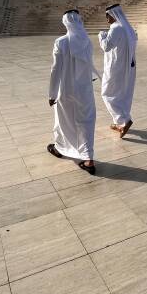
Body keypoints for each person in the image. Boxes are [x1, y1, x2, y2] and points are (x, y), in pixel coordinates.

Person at [47, 9, 100, 174]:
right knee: (86, 122)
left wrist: (52, 93)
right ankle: (88, 158)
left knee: (63, 121)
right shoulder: (87, 41)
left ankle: (60, 148)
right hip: (85, 90)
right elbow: (89, 65)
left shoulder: (61, 42)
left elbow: (56, 70)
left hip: (67, 90)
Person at [98, 4, 137, 137]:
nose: (106, 18)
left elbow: (106, 46)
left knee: (106, 93)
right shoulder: (127, 28)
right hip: (128, 65)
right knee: (122, 94)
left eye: (107, 15)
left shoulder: (116, 28)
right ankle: (119, 122)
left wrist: (101, 36)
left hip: (116, 67)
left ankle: (123, 120)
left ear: (113, 15)